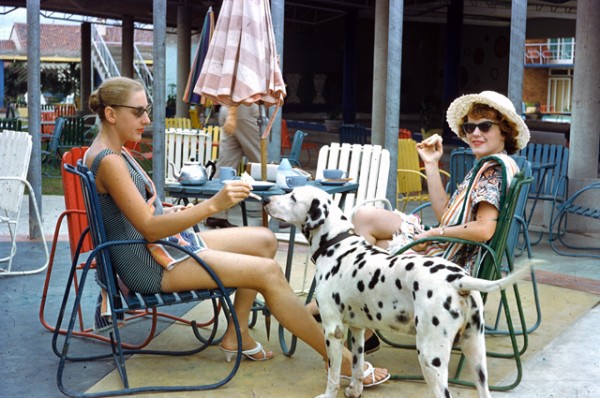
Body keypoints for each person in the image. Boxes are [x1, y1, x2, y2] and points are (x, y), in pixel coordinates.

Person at [84, 77, 389, 386]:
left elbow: (140, 215)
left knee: (263, 240)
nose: (146, 119)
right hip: (150, 265)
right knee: (267, 272)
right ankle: (340, 359)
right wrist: (213, 205)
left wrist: (174, 211)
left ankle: (237, 332)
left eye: (146, 110)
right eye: (138, 112)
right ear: (111, 114)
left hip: (158, 248)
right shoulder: (110, 161)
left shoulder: (112, 152)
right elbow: (148, 229)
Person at [353, 90, 530, 274]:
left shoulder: (493, 170)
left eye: (485, 126)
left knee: (367, 228)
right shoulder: (493, 165)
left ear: (504, 131)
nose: (475, 133)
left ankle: (345, 295)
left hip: (453, 263)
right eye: (470, 127)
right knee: (368, 224)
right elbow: (444, 216)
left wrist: (433, 233)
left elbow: (484, 229)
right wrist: (431, 163)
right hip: (452, 249)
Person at [205, 103, 262, 229]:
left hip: (230, 109)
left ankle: (216, 214)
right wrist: (233, 114)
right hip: (241, 109)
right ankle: (276, 212)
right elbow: (236, 85)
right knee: (264, 162)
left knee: (226, 166)